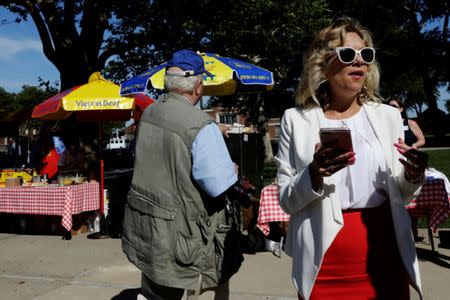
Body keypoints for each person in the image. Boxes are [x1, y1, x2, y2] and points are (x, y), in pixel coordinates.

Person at [275, 17, 427, 300]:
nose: (359, 62)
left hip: (383, 254)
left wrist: (413, 176)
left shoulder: (388, 116)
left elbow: (402, 193)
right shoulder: (295, 120)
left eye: (366, 54)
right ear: (323, 63)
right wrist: (314, 174)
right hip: (322, 262)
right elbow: (286, 198)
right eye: (348, 54)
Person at [121, 49, 243, 300]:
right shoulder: (200, 124)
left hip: (148, 228)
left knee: (153, 292)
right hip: (182, 239)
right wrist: (231, 167)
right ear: (198, 85)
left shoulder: (150, 113)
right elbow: (218, 184)